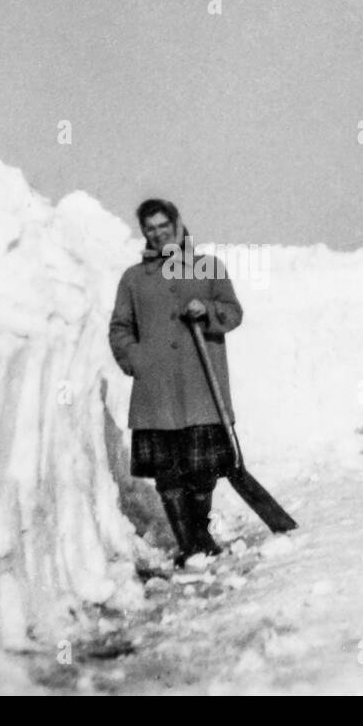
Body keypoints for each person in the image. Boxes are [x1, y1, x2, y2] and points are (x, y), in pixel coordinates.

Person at [108, 198, 243, 566]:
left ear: (177, 223)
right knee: (168, 474)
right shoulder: (133, 279)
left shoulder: (207, 267)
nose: (157, 233)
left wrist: (209, 310)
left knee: (202, 471)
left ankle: (200, 532)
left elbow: (233, 312)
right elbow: (120, 328)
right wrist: (136, 360)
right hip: (157, 393)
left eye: (163, 225)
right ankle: (189, 544)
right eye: (150, 228)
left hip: (201, 387)